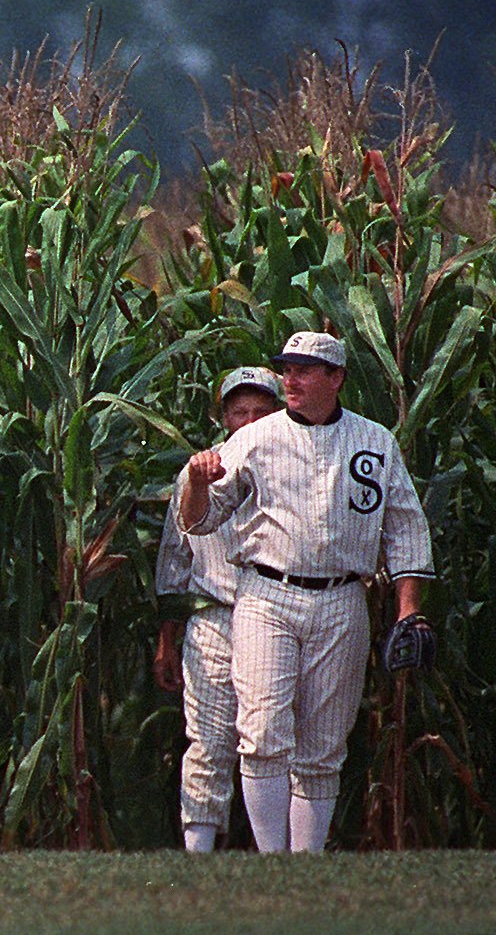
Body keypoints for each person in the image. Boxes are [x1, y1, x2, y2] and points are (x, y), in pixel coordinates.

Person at [180, 332, 431, 853]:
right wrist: (199, 484)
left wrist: (409, 612)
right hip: (267, 594)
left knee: (322, 746)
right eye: (287, 370)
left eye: (304, 370)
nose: (290, 380)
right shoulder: (254, 438)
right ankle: (275, 864)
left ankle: (306, 864)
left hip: (343, 598)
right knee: (263, 733)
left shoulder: (375, 440)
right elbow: (200, 522)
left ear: (335, 378)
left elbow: (405, 528)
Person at [154, 366, 284, 852]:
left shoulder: (292, 467)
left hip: (277, 612)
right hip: (213, 616)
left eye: (260, 410)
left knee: (271, 739)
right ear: (224, 415)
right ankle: (199, 851)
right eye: (239, 410)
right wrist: (167, 639)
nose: (249, 420)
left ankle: (279, 851)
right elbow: (174, 561)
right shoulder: (196, 473)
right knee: (207, 738)